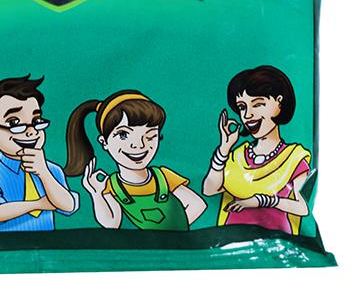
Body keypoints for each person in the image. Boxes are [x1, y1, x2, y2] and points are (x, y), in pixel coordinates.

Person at [65, 90, 206, 230]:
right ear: (104, 142)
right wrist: (96, 193)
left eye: (150, 136)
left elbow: (197, 204)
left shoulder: (163, 177)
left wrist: (171, 232)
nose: (139, 145)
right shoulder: (111, 185)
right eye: (123, 135)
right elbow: (111, 223)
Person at [202, 66, 311, 235]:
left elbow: (302, 208)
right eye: (242, 107)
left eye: (258, 104)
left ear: (279, 103)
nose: (248, 115)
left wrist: (262, 201)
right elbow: (209, 190)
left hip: (275, 243)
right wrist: (224, 149)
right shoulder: (238, 155)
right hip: (229, 241)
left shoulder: (293, 157)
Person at [0, 75, 79, 231]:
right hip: (4, 244)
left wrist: (43, 172)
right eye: (14, 122)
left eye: (36, 121)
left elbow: (69, 206)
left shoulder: (52, 170)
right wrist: (37, 204)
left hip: (47, 243)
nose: (31, 132)